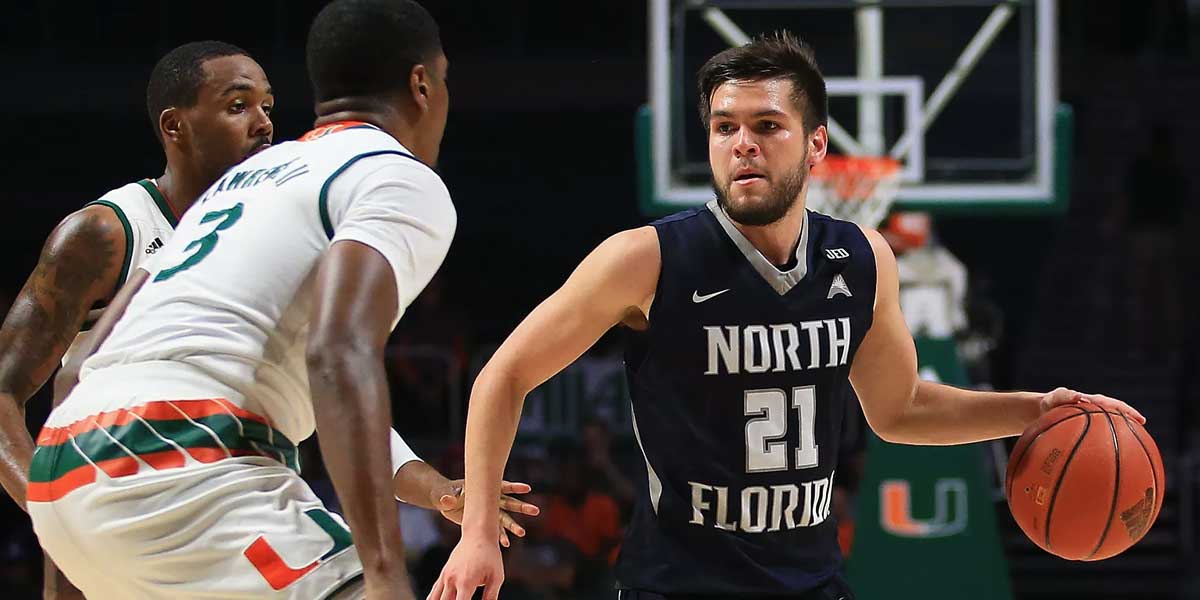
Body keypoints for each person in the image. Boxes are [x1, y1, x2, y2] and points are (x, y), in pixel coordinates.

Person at [430, 31, 1144, 600]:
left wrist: (1035, 413)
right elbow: (505, 375)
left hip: (812, 582)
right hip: (678, 584)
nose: (742, 142)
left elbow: (900, 411)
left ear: (816, 145)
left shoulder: (862, 258)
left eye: (767, 125)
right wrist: (479, 531)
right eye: (724, 126)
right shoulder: (646, 259)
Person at [29, 1, 535, 598]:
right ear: (421, 84)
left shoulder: (239, 187)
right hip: (178, 464)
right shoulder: (392, 175)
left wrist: (432, 489)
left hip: (66, 475)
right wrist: (384, 570)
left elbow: (76, 377)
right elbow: (337, 354)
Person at [0, 40, 274, 597]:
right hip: (108, 540)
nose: (264, 124)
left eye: (269, 105)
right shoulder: (106, 234)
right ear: (175, 126)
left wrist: (423, 483)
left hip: (215, 535)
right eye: (239, 105)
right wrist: (56, 506)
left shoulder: (269, 242)